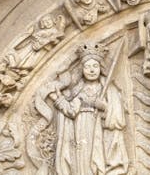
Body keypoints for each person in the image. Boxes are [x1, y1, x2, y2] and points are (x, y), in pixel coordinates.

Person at [35, 43, 128, 175]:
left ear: (101, 68)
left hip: (98, 129)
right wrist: (57, 98)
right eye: (87, 66)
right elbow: (71, 111)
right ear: (82, 69)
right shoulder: (78, 89)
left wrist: (104, 107)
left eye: (95, 66)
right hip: (79, 128)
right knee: (82, 157)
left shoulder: (108, 89)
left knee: (96, 155)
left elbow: (116, 116)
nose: (91, 70)